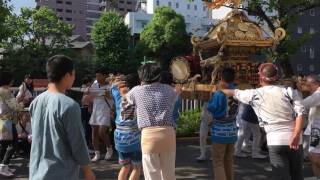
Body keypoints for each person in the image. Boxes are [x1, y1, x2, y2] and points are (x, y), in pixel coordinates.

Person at [221, 63, 305, 180]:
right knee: (297, 176)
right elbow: (300, 113)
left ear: (260, 77)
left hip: (275, 140)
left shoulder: (254, 94)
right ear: (277, 77)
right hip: (296, 141)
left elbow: (233, 92)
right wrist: (295, 135)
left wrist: (218, 90)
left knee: (281, 177)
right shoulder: (290, 91)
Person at [29, 55, 95, 180]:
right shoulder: (70, 105)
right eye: (73, 74)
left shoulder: (36, 102)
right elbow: (78, 143)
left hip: (36, 172)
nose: (74, 78)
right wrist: (87, 170)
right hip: (61, 172)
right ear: (66, 76)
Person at [126, 63, 180, 180]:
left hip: (148, 136)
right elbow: (176, 94)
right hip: (168, 134)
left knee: (151, 175)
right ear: (159, 76)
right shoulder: (169, 90)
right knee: (169, 174)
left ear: (142, 77)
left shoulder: (136, 91)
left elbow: (127, 99)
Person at [207, 68, 238, 180]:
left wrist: (212, 96)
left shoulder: (219, 94)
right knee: (229, 160)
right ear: (234, 79)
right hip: (233, 129)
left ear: (221, 78)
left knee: (218, 161)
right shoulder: (236, 92)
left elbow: (211, 108)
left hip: (220, 131)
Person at [111, 74, 142, 180]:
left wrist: (118, 81)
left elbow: (113, 87)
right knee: (137, 167)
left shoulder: (118, 95)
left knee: (125, 167)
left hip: (119, 137)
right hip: (134, 137)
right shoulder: (138, 96)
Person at [0, 71, 23, 177]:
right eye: (12, 79)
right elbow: (15, 107)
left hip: (3, 120)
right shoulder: (5, 91)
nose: (13, 81)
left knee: (5, 144)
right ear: (8, 80)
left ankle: (4, 165)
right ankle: (3, 165)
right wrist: (22, 103)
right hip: (7, 120)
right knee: (13, 144)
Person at [88, 69, 113, 161]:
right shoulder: (94, 84)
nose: (97, 78)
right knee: (94, 132)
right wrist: (90, 106)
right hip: (96, 110)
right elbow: (91, 96)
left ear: (105, 76)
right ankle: (97, 153)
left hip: (105, 110)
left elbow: (111, 97)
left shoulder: (111, 86)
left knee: (102, 132)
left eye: (99, 76)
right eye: (96, 76)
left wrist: (106, 94)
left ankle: (109, 149)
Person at [301, 75, 320, 179]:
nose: (307, 87)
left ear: (315, 83)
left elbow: (302, 104)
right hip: (313, 129)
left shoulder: (318, 94)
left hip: (317, 131)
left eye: (308, 85)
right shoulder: (316, 94)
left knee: (313, 155)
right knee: (312, 155)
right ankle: (317, 177)